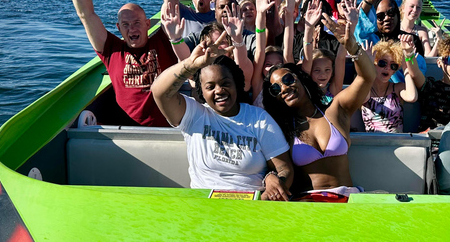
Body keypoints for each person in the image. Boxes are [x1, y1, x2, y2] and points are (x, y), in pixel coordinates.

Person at [150, 32, 294, 200]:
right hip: (203, 206)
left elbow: (285, 168)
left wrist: (272, 187)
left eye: (225, 83)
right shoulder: (194, 115)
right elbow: (159, 92)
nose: (219, 90)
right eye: (210, 87)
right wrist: (191, 64)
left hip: (252, 206)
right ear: (201, 91)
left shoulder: (259, 119)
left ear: (237, 84)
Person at [58, 0, 178, 127]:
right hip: (127, 133)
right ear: (118, 28)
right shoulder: (111, 50)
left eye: (137, 23)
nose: (132, 29)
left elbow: (171, 2)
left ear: (148, 24)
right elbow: (86, 14)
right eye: (126, 25)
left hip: (167, 131)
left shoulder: (163, 42)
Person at [263, 12, 376, 196]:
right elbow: (275, 167)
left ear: (302, 79)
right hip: (309, 206)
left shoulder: (336, 110)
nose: (284, 88)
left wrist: (352, 47)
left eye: (288, 79)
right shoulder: (282, 129)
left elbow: (368, 76)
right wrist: (269, 177)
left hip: (347, 201)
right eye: (276, 89)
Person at [362, 36, 426, 133]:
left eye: (393, 65)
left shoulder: (397, 88)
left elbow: (412, 97)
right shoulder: (366, 89)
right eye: (382, 63)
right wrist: (367, 66)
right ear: (374, 63)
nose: (387, 68)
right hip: (371, 144)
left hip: (396, 143)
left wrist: (405, 68)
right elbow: (363, 98)